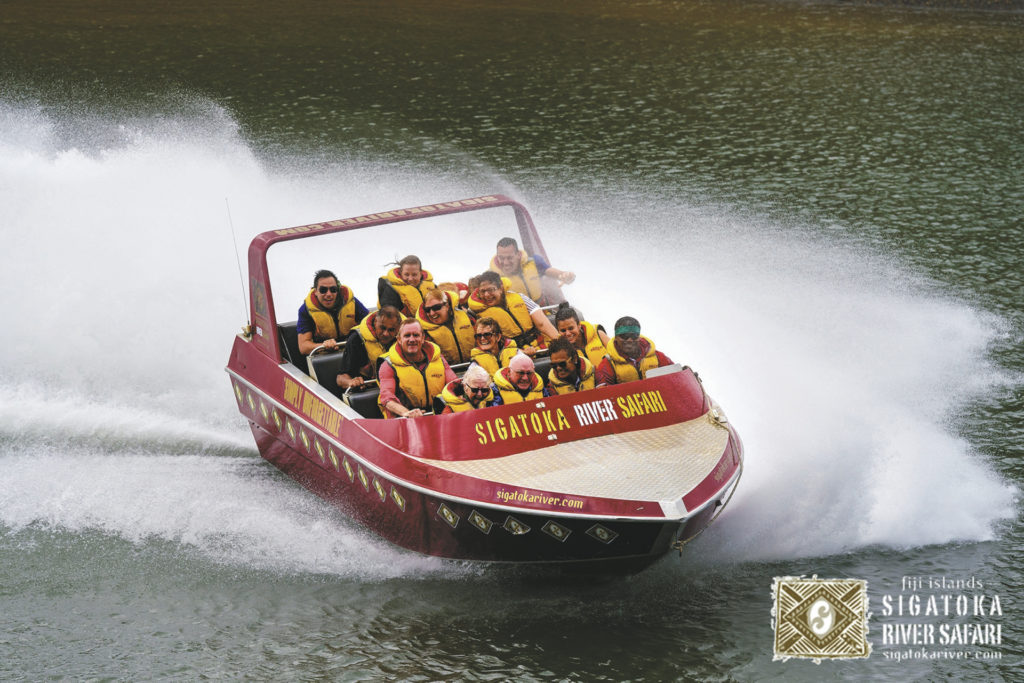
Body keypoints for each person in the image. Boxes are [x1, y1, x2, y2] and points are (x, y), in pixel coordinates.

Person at [378, 318, 456, 418]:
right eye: (407, 336)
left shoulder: (438, 357)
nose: (412, 340)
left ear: (423, 338)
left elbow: (454, 383)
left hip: (439, 413)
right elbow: (387, 398)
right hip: (405, 417)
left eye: (416, 335)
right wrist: (406, 413)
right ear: (399, 340)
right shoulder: (388, 364)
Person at [466, 270, 558, 351]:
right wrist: (519, 352)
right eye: (482, 291)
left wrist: (560, 341)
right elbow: (490, 343)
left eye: (490, 290)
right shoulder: (476, 313)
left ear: (501, 288)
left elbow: (542, 323)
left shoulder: (520, 297)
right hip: (510, 352)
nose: (486, 295)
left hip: (538, 342)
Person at [296, 269, 368, 355]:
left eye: (333, 289)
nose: (329, 294)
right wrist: (323, 345)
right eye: (323, 290)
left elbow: (370, 324)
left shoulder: (350, 301)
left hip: (352, 350)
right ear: (315, 291)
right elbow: (303, 347)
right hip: (324, 356)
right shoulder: (305, 310)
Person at [489, 236, 575, 306]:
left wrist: (565, 275)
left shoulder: (533, 262)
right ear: (497, 256)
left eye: (510, 258)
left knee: (548, 280)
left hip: (541, 306)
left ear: (518, 255)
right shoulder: (492, 276)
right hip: (517, 313)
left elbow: (552, 272)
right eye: (501, 258)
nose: (506, 262)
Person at [596, 317, 675, 387]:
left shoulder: (657, 356)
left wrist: (684, 371)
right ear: (616, 337)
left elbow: (675, 376)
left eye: (634, 336)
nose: (630, 340)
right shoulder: (608, 363)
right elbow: (602, 393)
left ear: (639, 337)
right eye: (624, 337)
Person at [336, 305, 401, 390]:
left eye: (391, 330)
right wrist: (350, 382)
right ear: (375, 322)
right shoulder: (356, 338)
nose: (386, 334)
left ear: (398, 328)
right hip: (369, 389)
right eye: (382, 328)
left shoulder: (407, 338)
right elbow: (340, 378)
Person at [416, 288, 476, 365]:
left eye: (436, 307)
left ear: (447, 306)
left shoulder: (468, 318)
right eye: (427, 309)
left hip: (474, 367)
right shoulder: (424, 332)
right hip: (447, 372)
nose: (431, 313)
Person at [554, 302, 610, 369]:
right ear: (558, 331)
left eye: (571, 328)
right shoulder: (560, 350)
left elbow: (617, 354)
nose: (568, 333)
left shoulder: (599, 334)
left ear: (579, 325)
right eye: (563, 330)